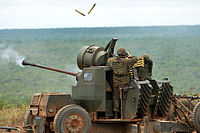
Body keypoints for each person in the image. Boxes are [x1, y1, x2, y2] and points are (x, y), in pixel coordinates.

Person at [107, 47, 138, 118]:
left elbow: (108, 60)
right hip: (124, 83)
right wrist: (128, 56)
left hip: (116, 83)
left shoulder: (112, 61)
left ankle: (116, 114)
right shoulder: (127, 61)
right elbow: (135, 58)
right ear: (124, 54)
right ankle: (123, 114)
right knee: (124, 98)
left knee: (116, 97)